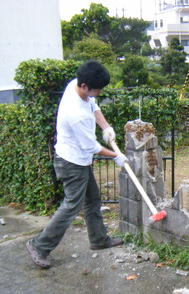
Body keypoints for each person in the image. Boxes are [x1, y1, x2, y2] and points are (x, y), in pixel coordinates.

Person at [25, 60, 127, 268]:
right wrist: (116, 156)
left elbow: (94, 105)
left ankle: (99, 240)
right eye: (96, 90)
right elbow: (91, 146)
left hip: (79, 160)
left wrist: (106, 126)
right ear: (84, 87)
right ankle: (39, 246)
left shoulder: (76, 83)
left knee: (92, 199)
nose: (97, 93)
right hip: (71, 163)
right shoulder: (75, 113)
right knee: (72, 205)